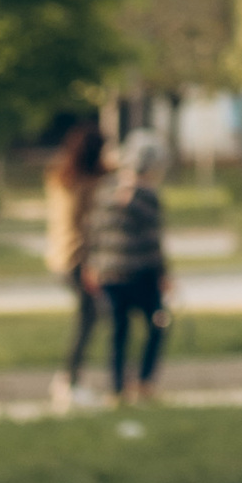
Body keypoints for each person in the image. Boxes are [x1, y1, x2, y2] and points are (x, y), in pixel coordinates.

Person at [89, 128, 174, 403]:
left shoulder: (106, 190)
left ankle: (116, 389)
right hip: (140, 273)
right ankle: (144, 383)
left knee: (118, 332)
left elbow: (94, 231)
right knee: (158, 323)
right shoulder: (147, 195)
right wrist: (164, 273)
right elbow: (152, 240)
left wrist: (92, 264)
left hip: (109, 273)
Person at [44, 116, 106, 407]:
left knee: (91, 316)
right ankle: (69, 379)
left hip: (60, 256)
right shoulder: (83, 184)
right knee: (90, 316)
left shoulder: (60, 177)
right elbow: (85, 227)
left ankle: (72, 377)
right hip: (77, 259)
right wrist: (89, 266)